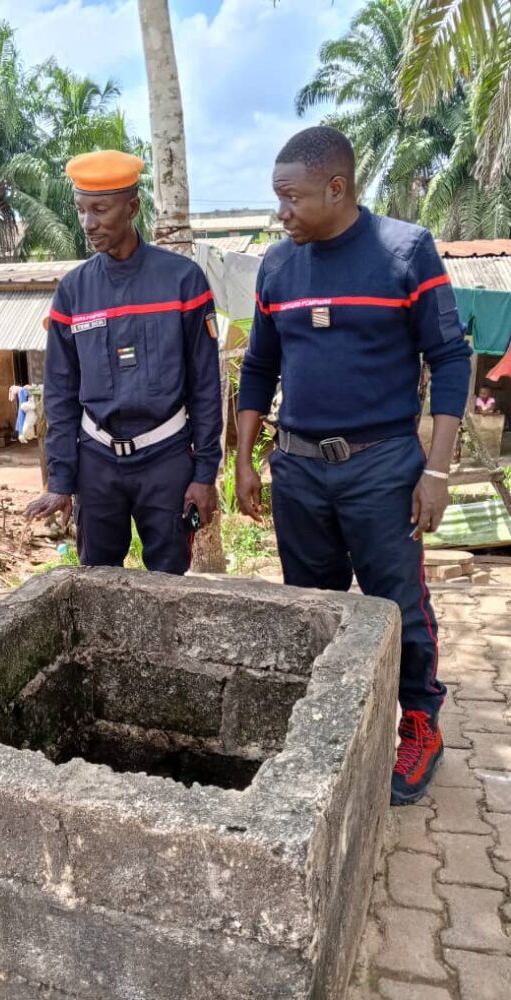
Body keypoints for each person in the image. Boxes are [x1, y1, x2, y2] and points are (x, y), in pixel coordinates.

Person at [236, 127, 471, 806]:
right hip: (300, 471)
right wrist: (248, 461)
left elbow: (450, 359)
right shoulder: (278, 267)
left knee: (398, 605)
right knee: (314, 612)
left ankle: (420, 723)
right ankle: (330, 734)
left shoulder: (405, 251)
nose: (281, 211)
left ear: (336, 189)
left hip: (383, 468)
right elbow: (259, 366)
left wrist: (438, 470)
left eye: (291, 197)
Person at [25, 150, 222, 574]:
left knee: (169, 581)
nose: (88, 223)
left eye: (99, 209)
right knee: (96, 578)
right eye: (81, 210)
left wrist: (204, 474)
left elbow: (206, 388)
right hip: (97, 462)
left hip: (167, 459)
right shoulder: (73, 292)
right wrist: (62, 481)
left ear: (132, 207)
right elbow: (59, 395)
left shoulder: (183, 282)